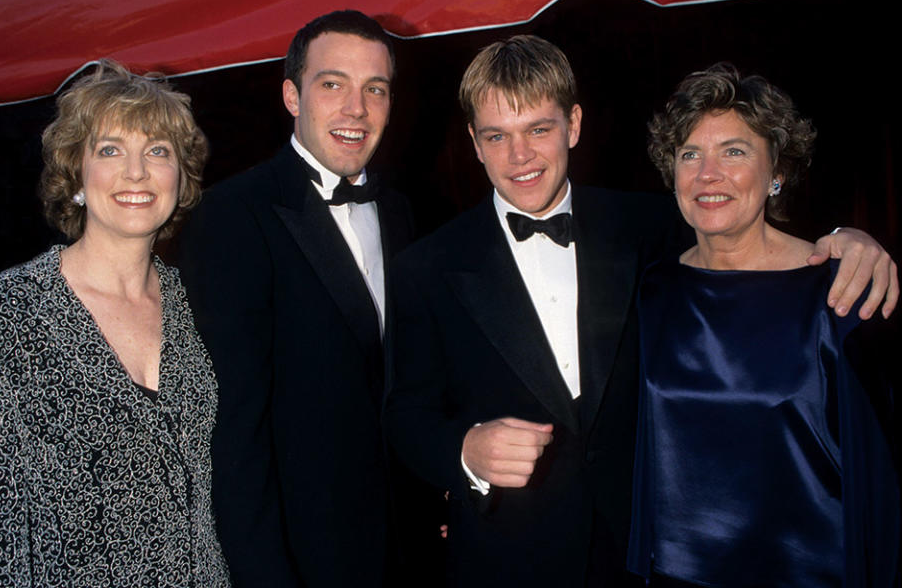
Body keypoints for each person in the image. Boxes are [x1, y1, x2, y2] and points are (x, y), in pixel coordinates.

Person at [383, 35, 898, 587]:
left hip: (643, 556)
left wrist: (848, 236)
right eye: (496, 136)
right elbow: (403, 415)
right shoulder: (425, 267)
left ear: (573, 125)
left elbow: (737, 226)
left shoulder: (646, 228)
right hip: (507, 559)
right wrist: (464, 452)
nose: (520, 156)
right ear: (474, 143)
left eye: (539, 129)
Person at [0, 60, 230, 587]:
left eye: (158, 151)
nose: (136, 172)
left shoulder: (203, 309)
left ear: (181, 177)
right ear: (76, 172)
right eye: (110, 150)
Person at [627, 64, 900, 587]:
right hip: (676, 577)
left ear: (777, 171)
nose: (709, 174)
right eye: (690, 155)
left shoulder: (840, 295)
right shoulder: (651, 290)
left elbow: (884, 485)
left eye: (734, 151)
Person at [177, 10, 419, 587]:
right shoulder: (233, 216)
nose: (356, 109)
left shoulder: (402, 211)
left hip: (405, 547)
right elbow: (234, 431)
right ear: (292, 95)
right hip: (305, 556)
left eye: (375, 89)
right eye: (332, 84)